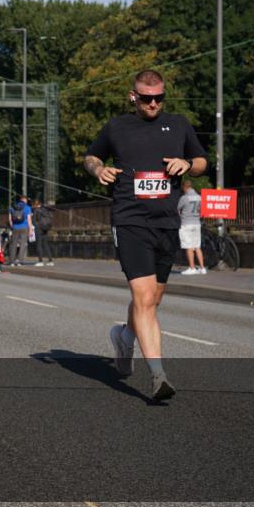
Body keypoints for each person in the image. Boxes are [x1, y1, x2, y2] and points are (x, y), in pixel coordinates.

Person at [84, 69, 207, 401]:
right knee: (143, 299)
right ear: (133, 96)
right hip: (130, 221)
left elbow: (201, 161)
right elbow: (91, 155)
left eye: (159, 98)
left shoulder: (179, 124)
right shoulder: (117, 127)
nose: (153, 103)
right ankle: (158, 375)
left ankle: (124, 338)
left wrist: (186, 163)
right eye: (146, 97)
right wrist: (98, 169)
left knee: (153, 299)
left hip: (167, 224)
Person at [178, 180, 206, 275]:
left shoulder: (184, 198)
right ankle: (202, 268)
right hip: (196, 223)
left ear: (185, 187)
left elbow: (177, 209)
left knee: (188, 246)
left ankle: (192, 268)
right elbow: (201, 210)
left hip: (186, 223)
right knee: (197, 246)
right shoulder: (199, 197)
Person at [8, 195, 31, 266]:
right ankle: (20, 261)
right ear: (25, 200)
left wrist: (12, 226)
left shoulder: (12, 207)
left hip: (15, 227)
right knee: (22, 244)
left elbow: (10, 219)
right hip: (24, 227)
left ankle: (12, 261)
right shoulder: (27, 208)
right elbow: (29, 220)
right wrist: (30, 230)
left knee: (13, 244)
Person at [32, 198, 54, 267]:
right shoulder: (45, 209)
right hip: (45, 228)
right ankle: (50, 261)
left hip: (39, 228)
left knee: (39, 244)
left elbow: (34, 221)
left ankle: (40, 261)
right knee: (46, 244)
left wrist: (35, 226)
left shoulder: (36, 210)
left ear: (35, 204)